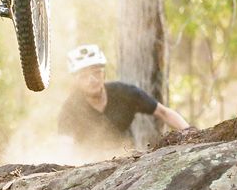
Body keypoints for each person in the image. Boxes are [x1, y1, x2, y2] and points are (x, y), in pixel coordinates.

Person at [57, 44, 189, 155]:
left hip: (128, 160)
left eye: (96, 72)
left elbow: (164, 113)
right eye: (84, 76)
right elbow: (65, 144)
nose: (92, 80)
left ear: (104, 74)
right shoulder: (70, 109)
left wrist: (190, 133)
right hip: (89, 164)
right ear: (76, 82)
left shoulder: (124, 93)